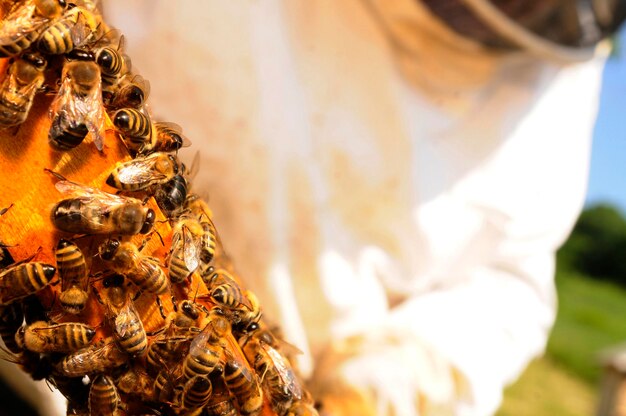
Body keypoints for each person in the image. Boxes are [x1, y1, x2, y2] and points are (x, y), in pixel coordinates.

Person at [100, 1, 625, 415]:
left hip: (278, 384)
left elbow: (510, 283)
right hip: (65, 256)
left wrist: (389, 383)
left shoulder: (564, 85)